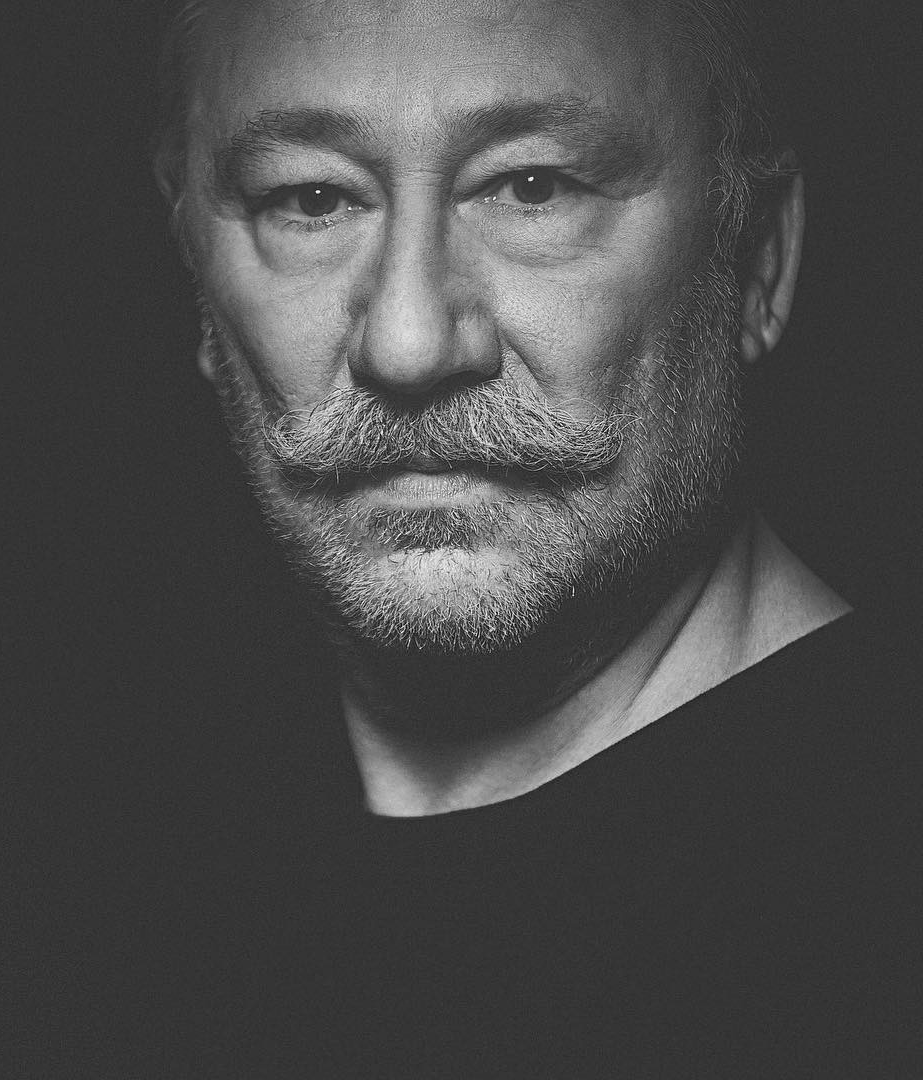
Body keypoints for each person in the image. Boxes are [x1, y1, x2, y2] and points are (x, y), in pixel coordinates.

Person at [148, 0, 920, 1073]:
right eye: (311, 198)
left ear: (756, 258)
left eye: (532, 187)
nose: (409, 343)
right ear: (194, 274)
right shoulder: (79, 897)